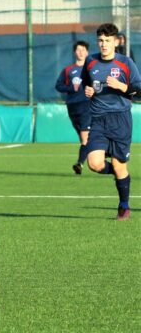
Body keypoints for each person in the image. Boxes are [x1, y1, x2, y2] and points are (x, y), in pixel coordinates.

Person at [82, 23, 141, 221]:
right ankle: (118, 174)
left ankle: (124, 205)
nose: (104, 44)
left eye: (108, 41)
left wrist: (123, 87)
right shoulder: (90, 61)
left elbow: (139, 90)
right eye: (100, 40)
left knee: (119, 165)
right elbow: (87, 83)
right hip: (98, 119)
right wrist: (88, 91)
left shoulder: (126, 63)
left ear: (116, 42)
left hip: (121, 120)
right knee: (94, 164)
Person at [55, 40, 91, 174]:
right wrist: (71, 87)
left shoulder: (92, 68)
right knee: (85, 139)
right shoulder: (68, 70)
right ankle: (99, 151)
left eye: (83, 50)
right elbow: (58, 85)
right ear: (74, 52)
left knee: (84, 137)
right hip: (72, 106)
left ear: (87, 52)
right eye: (78, 50)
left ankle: (80, 163)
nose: (81, 52)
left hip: (87, 105)